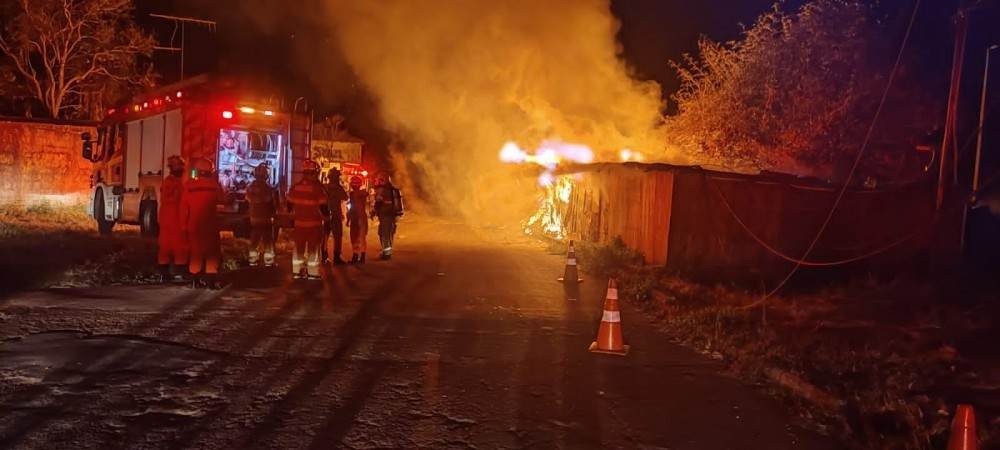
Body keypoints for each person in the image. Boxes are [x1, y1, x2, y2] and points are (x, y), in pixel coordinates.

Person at [181, 157, 225, 289]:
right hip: (210, 225)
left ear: (198, 171)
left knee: (196, 252)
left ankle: (194, 280)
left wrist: (184, 226)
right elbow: (223, 199)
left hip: (194, 225)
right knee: (212, 253)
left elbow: (183, 208)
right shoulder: (215, 186)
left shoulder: (189, 186)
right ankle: (210, 281)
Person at [287, 160, 327, 279]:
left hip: (299, 224)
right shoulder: (318, 188)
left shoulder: (296, 187)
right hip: (314, 225)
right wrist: (327, 217)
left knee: (298, 248)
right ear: (314, 173)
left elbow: (289, 204)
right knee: (313, 249)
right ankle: (313, 273)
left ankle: (297, 272)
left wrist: (294, 215)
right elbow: (323, 206)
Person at [157, 155, 188, 282]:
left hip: (167, 218)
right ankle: (177, 273)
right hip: (174, 218)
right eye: (179, 166)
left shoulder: (170, 181)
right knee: (178, 246)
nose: (182, 168)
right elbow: (174, 199)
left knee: (166, 247)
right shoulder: (174, 183)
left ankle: (164, 274)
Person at [245, 163, 279, 267]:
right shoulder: (268, 188)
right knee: (268, 240)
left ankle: (252, 261)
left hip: (253, 218)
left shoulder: (249, 187)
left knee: (254, 239)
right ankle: (268, 262)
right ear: (266, 175)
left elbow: (247, 199)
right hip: (266, 218)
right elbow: (273, 203)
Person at [372, 172, 404, 260]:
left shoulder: (383, 190)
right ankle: (387, 252)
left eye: (378, 179)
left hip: (385, 215)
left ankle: (386, 254)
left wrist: (373, 212)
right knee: (389, 234)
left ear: (383, 180)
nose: (376, 181)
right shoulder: (393, 189)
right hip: (392, 216)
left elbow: (378, 202)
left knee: (384, 234)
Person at [323, 168, 349, 265]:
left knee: (324, 236)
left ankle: (324, 256)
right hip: (336, 215)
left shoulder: (324, 187)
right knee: (337, 237)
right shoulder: (339, 188)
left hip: (325, 214)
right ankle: (337, 257)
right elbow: (345, 197)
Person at [346, 175, 369, 264]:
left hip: (355, 218)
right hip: (362, 218)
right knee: (362, 238)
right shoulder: (363, 193)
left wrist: (348, 219)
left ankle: (355, 257)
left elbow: (352, 208)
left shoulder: (352, 194)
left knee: (354, 238)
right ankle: (362, 257)